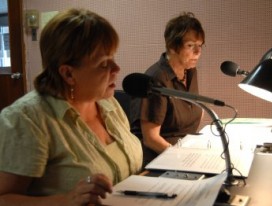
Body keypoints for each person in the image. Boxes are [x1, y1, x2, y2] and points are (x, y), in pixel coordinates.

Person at [0, 8, 142, 205]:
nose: (117, 69)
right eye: (103, 64)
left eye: (113, 58)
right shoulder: (27, 119)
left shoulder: (107, 102)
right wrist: (66, 200)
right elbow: (4, 199)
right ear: (68, 74)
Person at [131, 12, 205, 166]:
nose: (198, 52)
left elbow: (193, 111)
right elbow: (151, 139)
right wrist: (182, 159)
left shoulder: (190, 71)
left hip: (183, 152)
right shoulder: (156, 79)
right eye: (190, 45)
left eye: (200, 45)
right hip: (157, 160)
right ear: (172, 47)